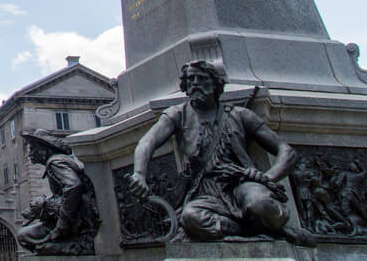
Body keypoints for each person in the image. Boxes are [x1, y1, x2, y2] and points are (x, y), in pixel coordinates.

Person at [129, 60, 314, 245]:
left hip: (241, 183)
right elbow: (148, 141)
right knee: (191, 217)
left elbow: (286, 151)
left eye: (201, 79)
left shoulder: (240, 114)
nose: (194, 84)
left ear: (216, 83)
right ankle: (255, 230)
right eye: (190, 79)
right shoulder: (178, 114)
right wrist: (139, 173)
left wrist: (267, 178)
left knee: (260, 204)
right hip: (204, 191)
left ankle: (257, 224)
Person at [17, 129, 100, 255]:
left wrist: (63, 220)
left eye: (32, 149)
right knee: (26, 236)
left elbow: (73, 187)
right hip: (73, 216)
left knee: (23, 236)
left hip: (77, 219)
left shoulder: (55, 162)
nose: (30, 154)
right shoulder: (57, 161)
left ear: (42, 149)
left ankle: (74, 247)